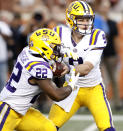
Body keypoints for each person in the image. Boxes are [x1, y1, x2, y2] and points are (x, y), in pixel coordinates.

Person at [0, 28, 76, 131]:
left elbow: (42, 62)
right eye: (53, 46)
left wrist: (54, 66)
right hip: (6, 110)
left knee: (48, 129)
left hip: (22, 111)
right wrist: (71, 84)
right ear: (43, 47)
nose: (57, 50)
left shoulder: (27, 50)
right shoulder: (38, 68)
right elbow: (56, 95)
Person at [48, 1, 115, 131]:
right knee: (48, 127)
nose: (86, 23)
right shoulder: (59, 33)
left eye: (88, 19)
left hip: (93, 89)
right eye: (81, 20)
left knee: (106, 127)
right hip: (70, 89)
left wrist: (68, 69)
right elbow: (48, 56)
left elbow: (87, 68)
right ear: (70, 19)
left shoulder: (97, 36)